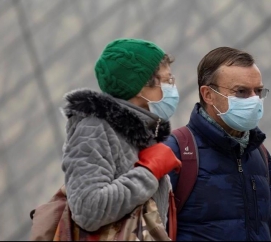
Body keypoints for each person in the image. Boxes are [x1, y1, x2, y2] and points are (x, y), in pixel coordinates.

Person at [61, 38, 182, 235]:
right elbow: (87, 210)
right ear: (142, 85)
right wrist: (149, 171)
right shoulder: (94, 130)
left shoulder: (142, 132)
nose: (172, 88)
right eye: (168, 80)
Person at [165, 47, 271, 241]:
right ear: (208, 94)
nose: (254, 100)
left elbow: (268, 225)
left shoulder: (260, 154)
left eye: (258, 91)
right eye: (241, 92)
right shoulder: (176, 151)